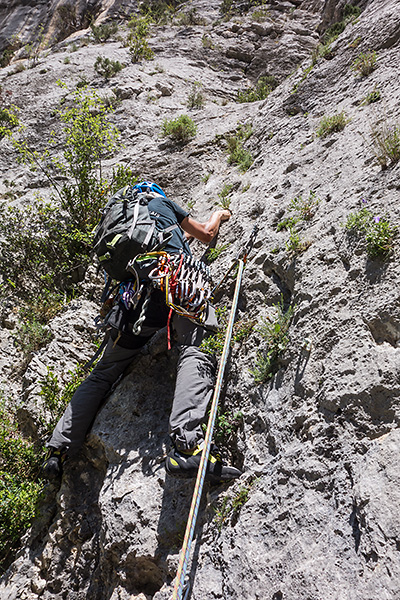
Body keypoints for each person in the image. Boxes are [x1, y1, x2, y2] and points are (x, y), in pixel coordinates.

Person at [42, 181, 242, 485]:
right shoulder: (162, 205)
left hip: (133, 298)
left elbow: (174, 241)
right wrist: (218, 214)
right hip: (176, 283)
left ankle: (58, 449)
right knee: (194, 348)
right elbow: (207, 234)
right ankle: (188, 445)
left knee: (103, 372)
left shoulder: (125, 220)